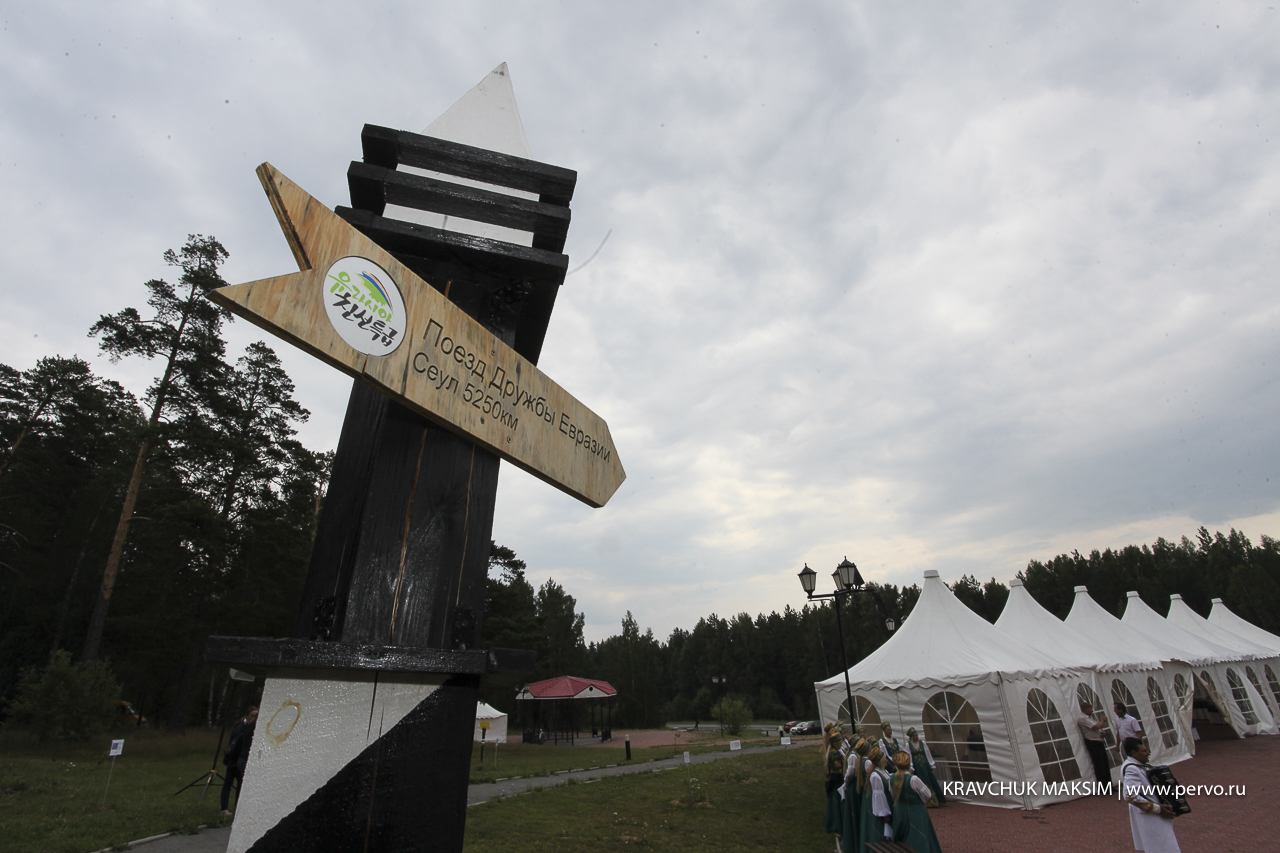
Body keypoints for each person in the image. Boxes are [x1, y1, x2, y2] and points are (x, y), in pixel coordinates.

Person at [1121, 737, 1181, 852]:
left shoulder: (1136, 765)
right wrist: (1157, 809)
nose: (1148, 753)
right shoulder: (1131, 769)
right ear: (1134, 753)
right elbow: (1129, 795)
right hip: (1151, 817)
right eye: (1144, 751)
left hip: (1152, 816)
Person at [890, 751, 944, 853]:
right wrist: (918, 802)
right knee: (918, 837)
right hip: (916, 812)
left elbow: (892, 794)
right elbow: (927, 795)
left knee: (902, 835)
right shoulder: (913, 779)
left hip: (900, 811)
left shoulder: (892, 778)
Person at [221, 706, 258, 816]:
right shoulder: (243, 728)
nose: (254, 717)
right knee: (230, 783)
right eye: (252, 715)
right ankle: (225, 808)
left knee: (238, 785)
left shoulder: (245, 726)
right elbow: (236, 745)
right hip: (235, 758)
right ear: (247, 715)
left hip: (237, 758)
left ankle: (235, 808)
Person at [859, 746, 894, 852]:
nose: (886, 760)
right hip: (882, 814)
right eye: (884, 759)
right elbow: (879, 798)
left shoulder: (883, 771)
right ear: (879, 761)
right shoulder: (875, 776)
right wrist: (886, 818)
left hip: (890, 807)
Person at [839, 737, 868, 852]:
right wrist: (846, 784)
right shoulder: (853, 756)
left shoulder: (856, 755)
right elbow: (850, 773)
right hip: (853, 786)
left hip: (856, 785)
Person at [906, 727, 946, 805]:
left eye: (916, 735)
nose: (916, 737)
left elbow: (927, 753)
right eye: (914, 736)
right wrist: (911, 766)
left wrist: (931, 764)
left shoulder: (922, 743)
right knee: (920, 782)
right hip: (917, 768)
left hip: (925, 766)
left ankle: (935, 799)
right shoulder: (909, 745)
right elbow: (909, 755)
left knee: (930, 780)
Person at [824, 724, 848, 847]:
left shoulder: (836, 752)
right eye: (839, 741)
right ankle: (837, 826)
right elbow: (837, 771)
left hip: (837, 782)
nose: (840, 743)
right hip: (837, 784)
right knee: (837, 805)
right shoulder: (834, 754)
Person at [1077, 702, 1112, 787]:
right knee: (1099, 765)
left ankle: (1109, 785)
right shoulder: (1082, 718)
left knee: (1105, 763)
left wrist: (1103, 732)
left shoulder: (1089, 718)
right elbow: (1095, 727)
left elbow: (1097, 728)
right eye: (1090, 709)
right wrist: (1103, 720)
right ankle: (1103, 786)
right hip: (1093, 742)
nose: (1092, 711)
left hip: (1098, 741)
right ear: (1086, 709)